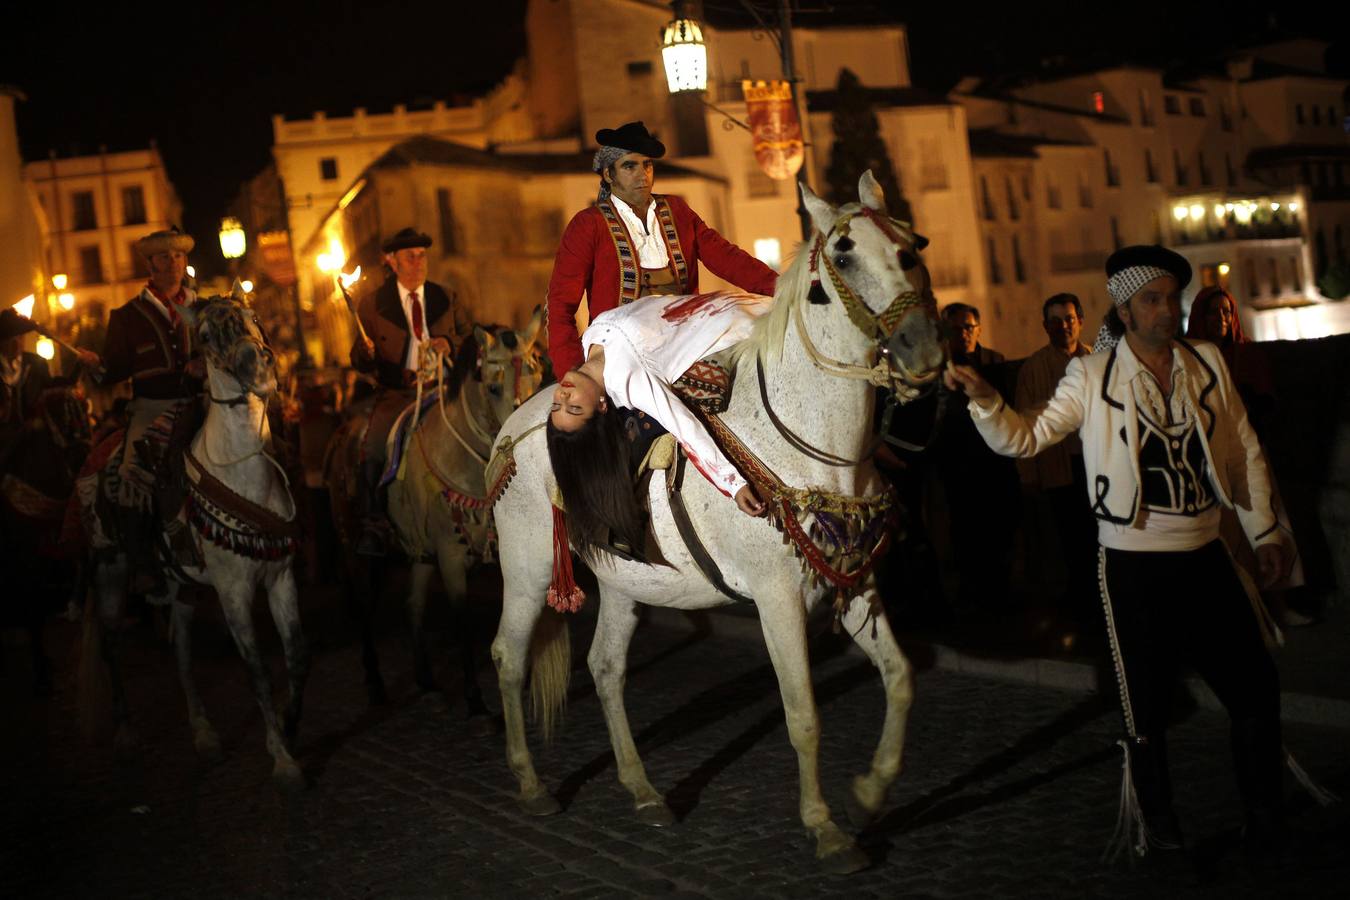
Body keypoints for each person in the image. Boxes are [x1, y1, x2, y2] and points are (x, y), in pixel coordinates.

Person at [946, 244, 1293, 862]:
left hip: (1207, 551)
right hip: (1132, 561)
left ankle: (1266, 819)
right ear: (1125, 311)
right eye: (1152, 300)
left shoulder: (1206, 364)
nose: (1168, 311)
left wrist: (1266, 533)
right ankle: (1159, 828)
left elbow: (1243, 451)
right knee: (1146, 708)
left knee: (1255, 690)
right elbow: (1026, 438)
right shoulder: (1093, 375)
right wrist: (985, 400)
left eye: (1173, 298)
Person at [547, 291, 771, 563]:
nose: (563, 396)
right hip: (743, 323)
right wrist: (733, 484)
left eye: (557, 405)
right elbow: (683, 425)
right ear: (603, 406)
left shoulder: (590, 340)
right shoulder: (627, 379)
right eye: (574, 408)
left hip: (738, 301)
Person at [546, 121, 778, 376]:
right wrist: (571, 371)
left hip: (685, 337)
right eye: (629, 166)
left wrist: (783, 289)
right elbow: (561, 304)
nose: (642, 174)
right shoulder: (588, 224)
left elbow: (726, 258)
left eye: (647, 164)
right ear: (608, 175)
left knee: (746, 325)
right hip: (620, 347)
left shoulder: (677, 210)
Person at [81, 227, 202, 581]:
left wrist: (206, 365)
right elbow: (112, 372)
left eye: (178, 255)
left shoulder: (203, 308)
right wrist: (96, 366)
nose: (173, 262)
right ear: (150, 265)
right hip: (151, 407)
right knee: (130, 473)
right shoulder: (126, 316)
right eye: (164, 257)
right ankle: (142, 563)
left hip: (199, 401)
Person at [349, 226, 472, 556]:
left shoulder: (446, 297)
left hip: (445, 390)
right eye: (410, 257)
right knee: (373, 446)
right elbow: (358, 360)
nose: (419, 263)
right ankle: (373, 522)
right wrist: (366, 353)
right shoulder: (373, 305)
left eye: (422, 256)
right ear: (392, 261)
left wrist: (451, 343)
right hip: (399, 394)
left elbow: (471, 339)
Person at [1014, 294, 1097, 639]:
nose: (1064, 326)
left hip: (1096, 468)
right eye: (1057, 321)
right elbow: (1022, 425)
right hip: (1059, 469)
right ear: (1045, 325)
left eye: (1069, 318)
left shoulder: (1097, 360)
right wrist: (1029, 474)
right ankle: (1082, 608)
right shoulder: (1033, 369)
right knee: (1070, 541)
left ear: (1080, 320)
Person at [932, 302, 1019, 612]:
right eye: (956, 329)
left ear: (978, 329)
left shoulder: (995, 361)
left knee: (1000, 529)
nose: (964, 334)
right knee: (965, 530)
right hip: (958, 463)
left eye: (969, 327)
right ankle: (973, 594)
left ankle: (1001, 591)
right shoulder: (939, 368)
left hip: (995, 461)